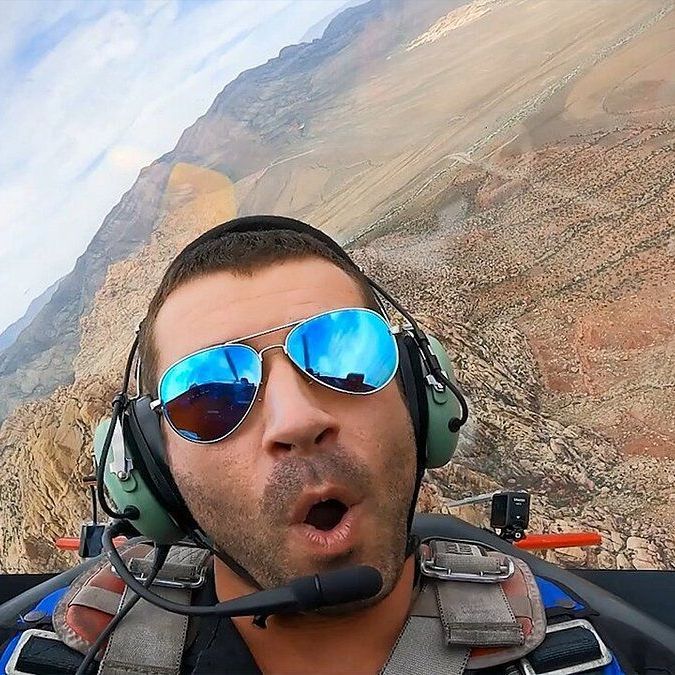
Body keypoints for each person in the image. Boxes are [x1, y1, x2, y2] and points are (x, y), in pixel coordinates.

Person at [2, 215, 675, 675]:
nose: (295, 418)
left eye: (341, 351)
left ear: (420, 394)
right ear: (151, 468)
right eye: (210, 394)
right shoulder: (48, 657)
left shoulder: (586, 653)